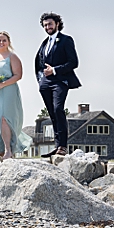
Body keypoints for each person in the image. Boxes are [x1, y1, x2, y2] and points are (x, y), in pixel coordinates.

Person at [0, 31, 33, 159]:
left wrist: (3, 84)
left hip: (7, 91)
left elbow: (18, 75)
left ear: (8, 42)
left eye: (4, 40)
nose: (1, 43)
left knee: (4, 118)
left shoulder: (12, 57)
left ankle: (8, 150)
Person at [34, 12, 81, 157]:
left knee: (58, 108)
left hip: (60, 81)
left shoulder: (66, 40)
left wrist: (54, 70)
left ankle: (63, 146)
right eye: (45, 25)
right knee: (52, 114)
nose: (48, 27)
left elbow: (74, 63)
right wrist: (41, 79)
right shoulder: (44, 43)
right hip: (45, 83)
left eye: (50, 24)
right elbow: (38, 63)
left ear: (57, 24)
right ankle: (57, 145)